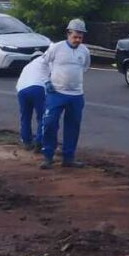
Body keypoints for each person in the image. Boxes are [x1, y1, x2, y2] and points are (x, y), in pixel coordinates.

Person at [39, 19, 90, 169]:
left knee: (73, 126)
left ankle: (68, 157)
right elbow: (42, 64)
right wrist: (46, 81)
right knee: (50, 123)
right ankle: (48, 156)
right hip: (56, 93)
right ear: (68, 34)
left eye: (80, 37)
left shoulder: (84, 51)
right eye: (75, 36)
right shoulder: (56, 48)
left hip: (76, 95)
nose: (78, 40)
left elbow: (85, 67)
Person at [15, 55, 49, 151]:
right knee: (42, 116)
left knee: (25, 116)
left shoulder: (27, 67)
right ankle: (40, 142)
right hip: (37, 87)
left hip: (21, 90)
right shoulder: (45, 61)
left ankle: (26, 141)